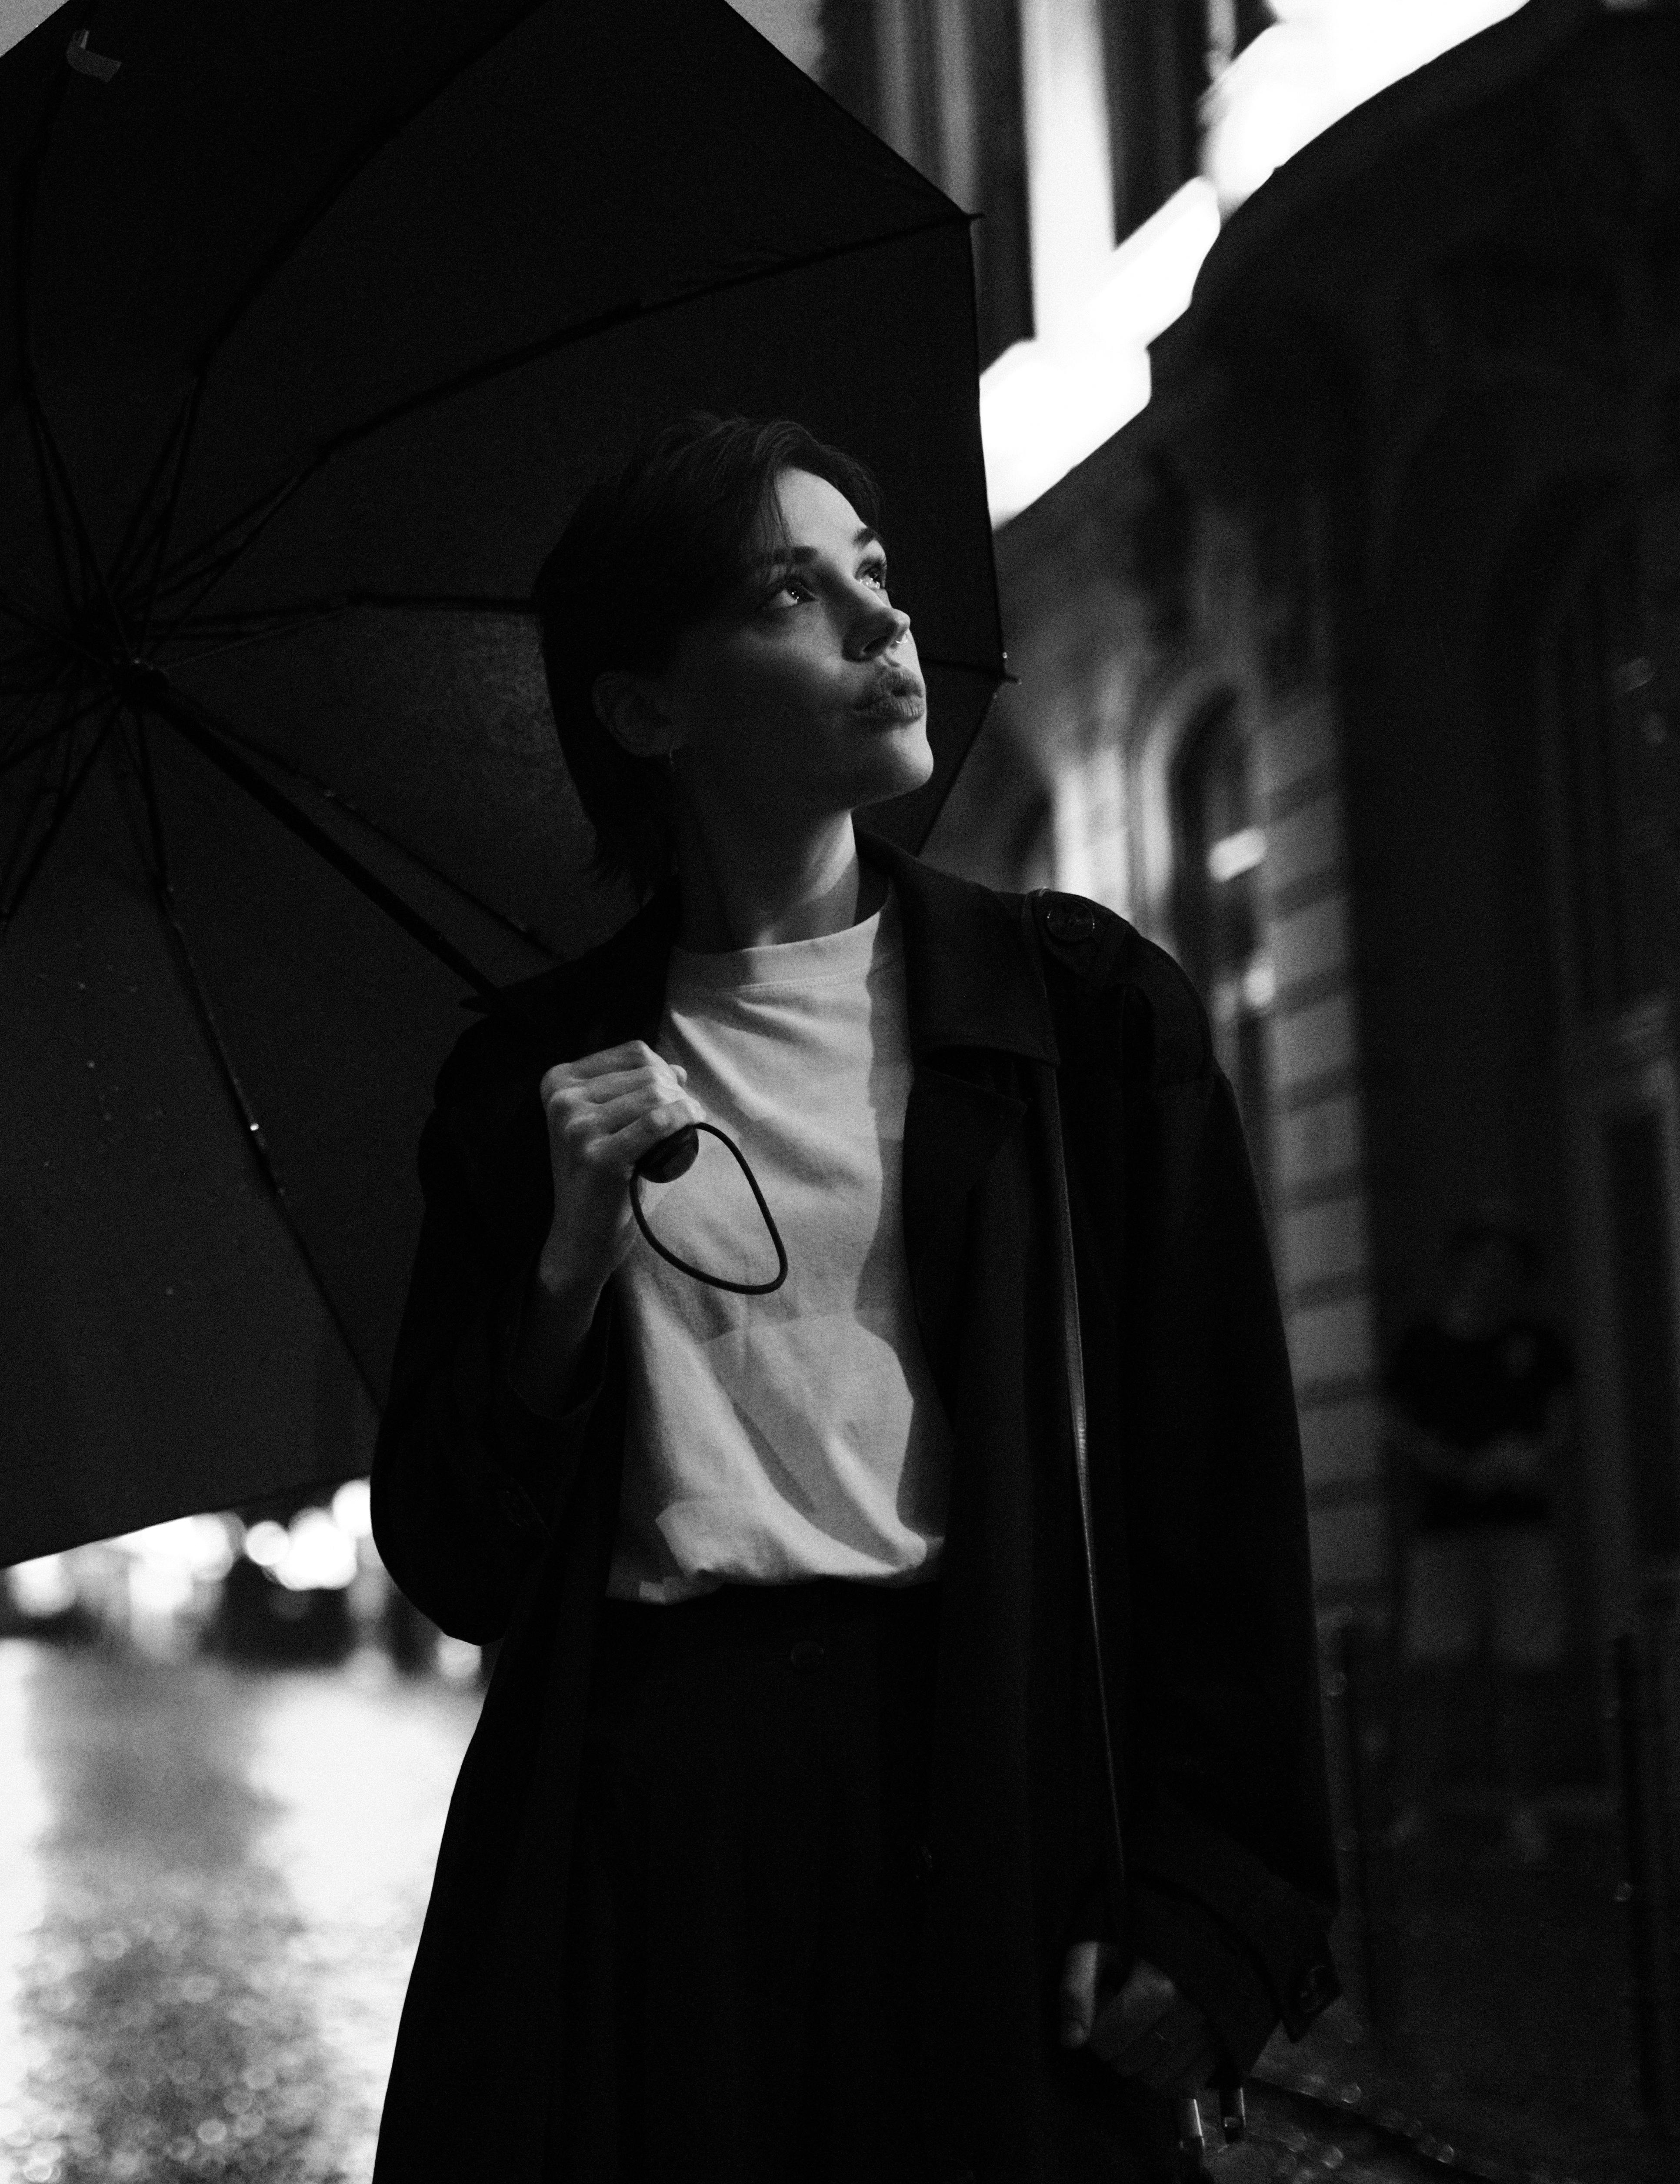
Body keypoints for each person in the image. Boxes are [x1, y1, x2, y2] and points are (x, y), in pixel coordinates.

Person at [369, 412, 1340, 2183]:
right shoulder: (534, 1082)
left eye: (873, 578)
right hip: (650, 1848)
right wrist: (563, 1267)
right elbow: (452, 1549)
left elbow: (1217, 1490)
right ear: (647, 707)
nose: (877, 628)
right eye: (790, 594)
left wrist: (1218, 1916)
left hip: (996, 1777)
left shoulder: (1080, 1014)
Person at [1382, 1206, 1574, 1866]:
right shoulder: (1425, 1342)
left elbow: (1560, 1426)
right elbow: (1397, 1422)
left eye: (1507, 1265)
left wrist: (1521, 1458)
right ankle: (1419, 1806)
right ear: (1462, 1266)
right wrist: (1439, 1459)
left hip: (1518, 1524)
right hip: (1446, 1526)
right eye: (1484, 1261)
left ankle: (1526, 1808)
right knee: (1433, 1668)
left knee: (1525, 1668)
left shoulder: (1539, 1342)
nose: (1495, 1276)